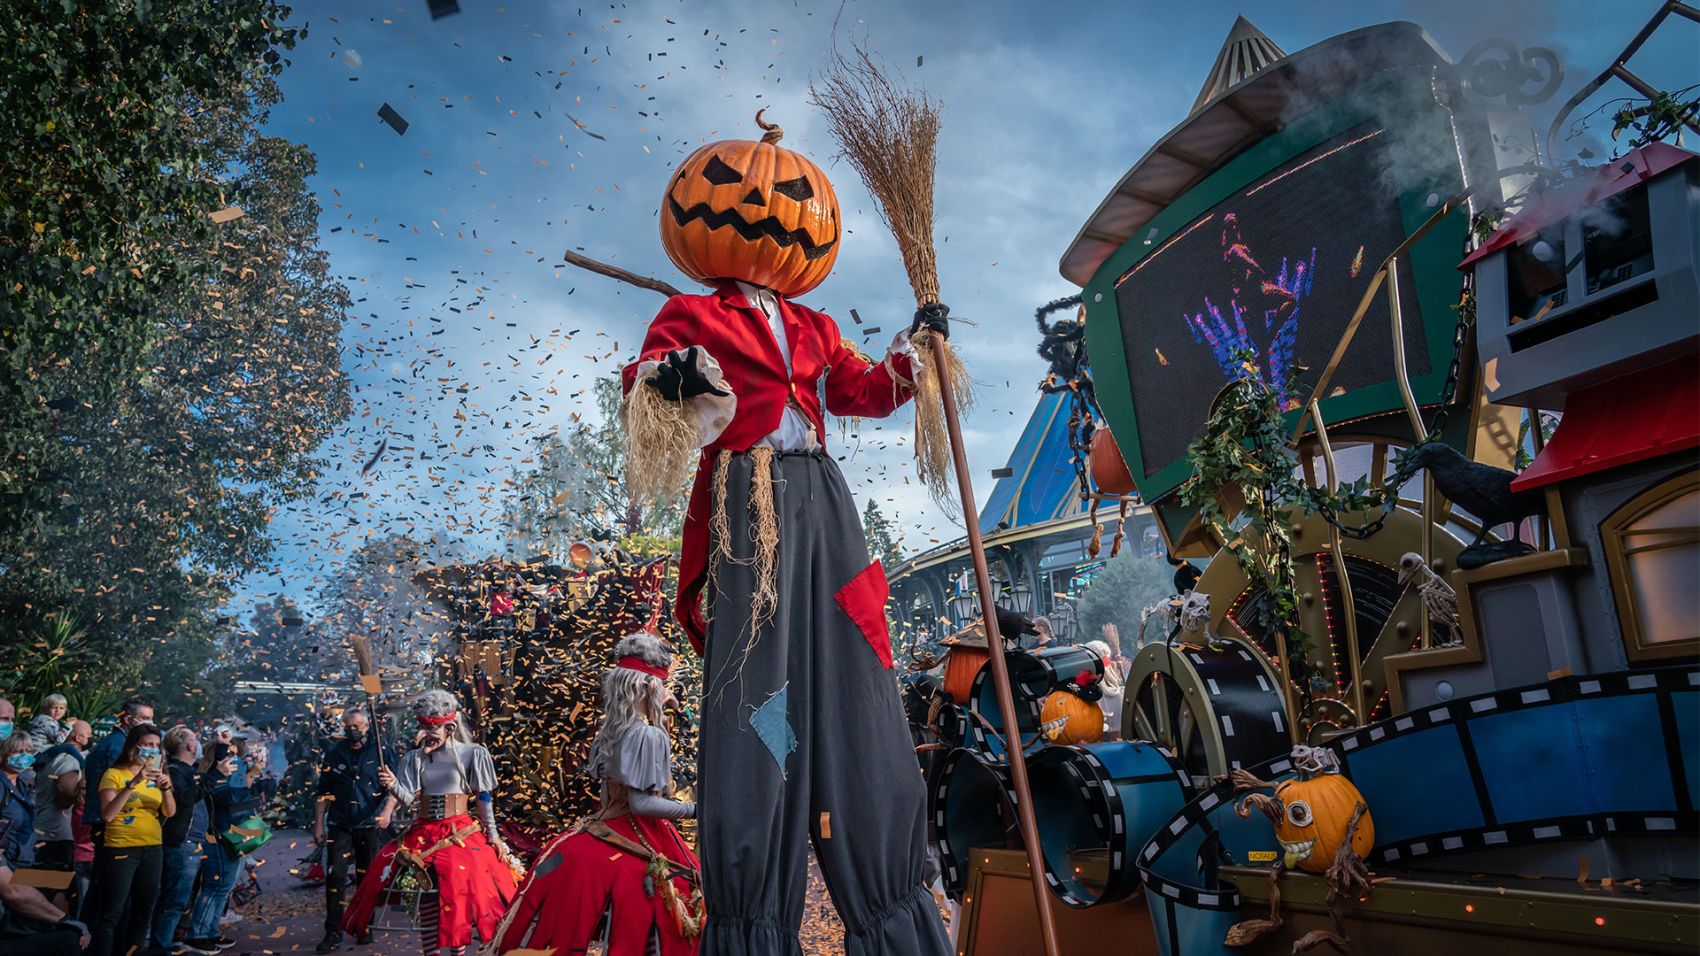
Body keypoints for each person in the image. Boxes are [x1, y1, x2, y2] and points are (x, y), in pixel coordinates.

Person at [620, 116, 950, 953]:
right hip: (749, 502)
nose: (778, 210)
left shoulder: (814, 327)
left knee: (854, 659)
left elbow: (867, 392)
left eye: (797, 199)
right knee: (761, 685)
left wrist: (922, 356)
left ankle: (888, 909)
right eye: (754, 193)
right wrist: (679, 374)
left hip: (823, 505)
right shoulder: (692, 311)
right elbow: (644, 382)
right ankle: (757, 912)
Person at [497, 634, 702, 955]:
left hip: (602, 828)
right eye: (663, 685)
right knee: (656, 923)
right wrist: (694, 810)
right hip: (639, 835)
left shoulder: (612, 727)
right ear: (648, 686)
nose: (667, 692)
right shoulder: (646, 735)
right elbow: (642, 803)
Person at [342, 689, 516, 956]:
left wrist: (493, 835)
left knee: (458, 885)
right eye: (422, 728)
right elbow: (408, 798)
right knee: (424, 888)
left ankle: (458, 947)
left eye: (431, 730)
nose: (423, 736)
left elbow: (483, 797)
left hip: (460, 831)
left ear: (450, 728)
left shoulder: (473, 753)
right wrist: (392, 785)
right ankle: (431, 951)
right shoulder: (415, 758)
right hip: (422, 832)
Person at [86, 723, 173, 956]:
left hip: (152, 848)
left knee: (143, 912)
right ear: (134, 747)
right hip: (122, 849)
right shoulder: (114, 774)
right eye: (147, 745)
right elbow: (108, 814)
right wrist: (132, 784)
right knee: (113, 912)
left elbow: (170, 812)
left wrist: (166, 788)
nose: (152, 750)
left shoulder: (158, 774)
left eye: (156, 746)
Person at [312, 709, 386, 953]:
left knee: (367, 879)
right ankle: (333, 931)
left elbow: (394, 785)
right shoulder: (333, 754)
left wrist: (388, 812)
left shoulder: (380, 752)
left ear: (367, 726)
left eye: (356, 726)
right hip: (339, 824)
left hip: (369, 824)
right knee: (335, 876)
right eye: (347, 726)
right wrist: (319, 824)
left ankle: (364, 924)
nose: (352, 730)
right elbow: (323, 792)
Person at [0, 757, 89, 956]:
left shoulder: (20, 786)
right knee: (68, 939)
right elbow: (12, 890)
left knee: (60, 881)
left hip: (22, 860)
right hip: (16, 872)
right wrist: (65, 921)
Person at [180, 736, 260, 955]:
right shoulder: (209, 779)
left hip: (233, 834)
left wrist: (249, 777)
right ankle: (198, 934)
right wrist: (248, 777)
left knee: (224, 887)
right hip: (216, 836)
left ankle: (211, 931)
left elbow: (245, 797)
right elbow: (231, 799)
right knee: (215, 886)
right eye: (228, 755)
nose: (233, 760)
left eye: (236, 755)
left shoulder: (231, 777)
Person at [151, 726, 216, 954]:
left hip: (193, 842)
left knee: (179, 899)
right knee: (173, 900)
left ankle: (165, 943)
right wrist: (213, 779)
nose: (197, 744)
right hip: (182, 843)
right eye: (195, 740)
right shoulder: (175, 770)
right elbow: (187, 800)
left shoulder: (189, 769)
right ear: (189, 745)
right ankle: (161, 948)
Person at [34, 720, 92, 911]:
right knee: (56, 890)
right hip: (56, 834)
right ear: (77, 737)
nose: (90, 739)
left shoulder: (49, 754)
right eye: (88, 734)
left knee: (36, 885)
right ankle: (56, 930)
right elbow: (66, 797)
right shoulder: (69, 760)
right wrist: (82, 793)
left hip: (39, 829)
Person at [0, 733, 38, 869]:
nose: (25, 756)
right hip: (6, 862)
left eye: (28, 751)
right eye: (18, 751)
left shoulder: (22, 785)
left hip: (23, 859)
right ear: (4, 754)